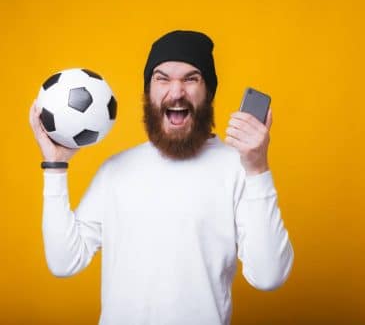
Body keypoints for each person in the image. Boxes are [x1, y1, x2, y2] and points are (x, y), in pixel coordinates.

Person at [29, 30, 294, 325]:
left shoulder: (239, 167)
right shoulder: (116, 170)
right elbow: (65, 262)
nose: (177, 91)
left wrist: (258, 168)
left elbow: (269, 276)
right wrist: (55, 166)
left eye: (191, 78)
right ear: (148, 93)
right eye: (162, 78)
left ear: (209, 92)